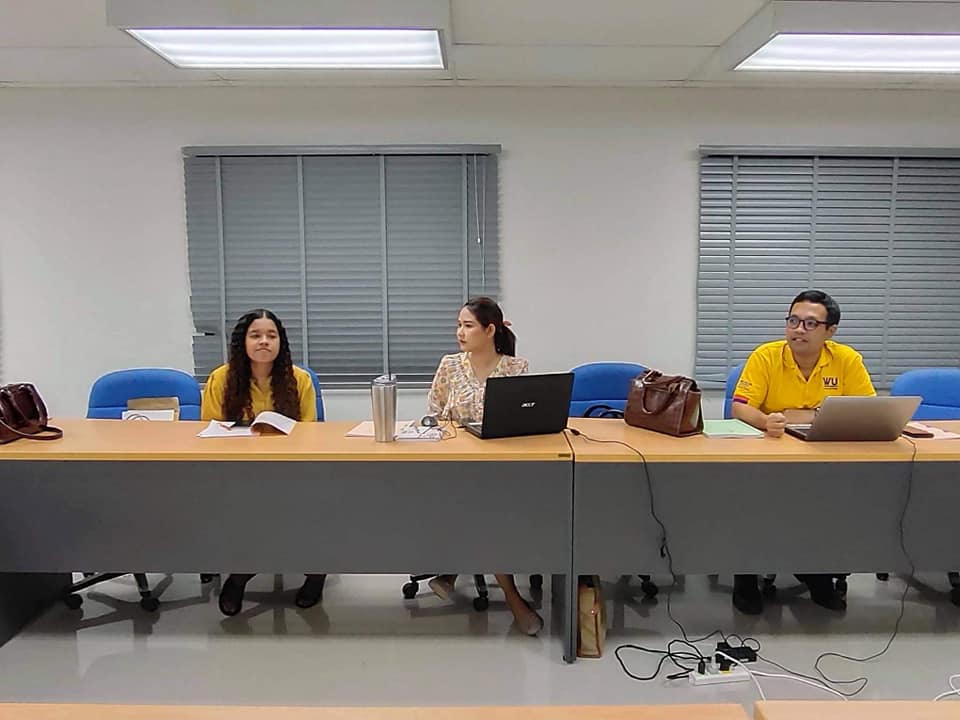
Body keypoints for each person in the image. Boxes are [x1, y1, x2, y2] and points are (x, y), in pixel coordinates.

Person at [730, 290, 876, 615]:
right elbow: (740, 407)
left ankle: (816, 572)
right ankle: (745, 577)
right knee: (754, 502)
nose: (799, 329)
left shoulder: (847, 360)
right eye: (793, 321)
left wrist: (797, 414)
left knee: (829, 504)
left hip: (826, 454)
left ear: (830, 331)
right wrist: (766, 420)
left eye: (810, 323)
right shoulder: (766, 356)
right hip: (769, 454)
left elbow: (865, 409)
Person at [424, 297, 542, 636]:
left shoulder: (516, 368)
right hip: (456, 464)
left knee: (483, 508)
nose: (459, 333)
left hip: (501, 466)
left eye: (468, 325)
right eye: (458, 325)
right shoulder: (449, 365)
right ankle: (514, 600)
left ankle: (451, 572)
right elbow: (434, 415)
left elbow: (524, 421)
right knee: (482, 510)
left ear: (490, 330)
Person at [201, 308, 326, 616]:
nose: (264, 342)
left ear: (281, 342)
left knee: (304, 505)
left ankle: (315, 572)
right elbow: (209, 431)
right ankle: (241, 573)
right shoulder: (221, 379)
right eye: (255, 335)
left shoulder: (299, 380)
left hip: (290, 469)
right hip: (238, 469)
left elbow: (309, 432)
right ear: (242, 342)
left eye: (271, 335)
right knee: (245, 506)